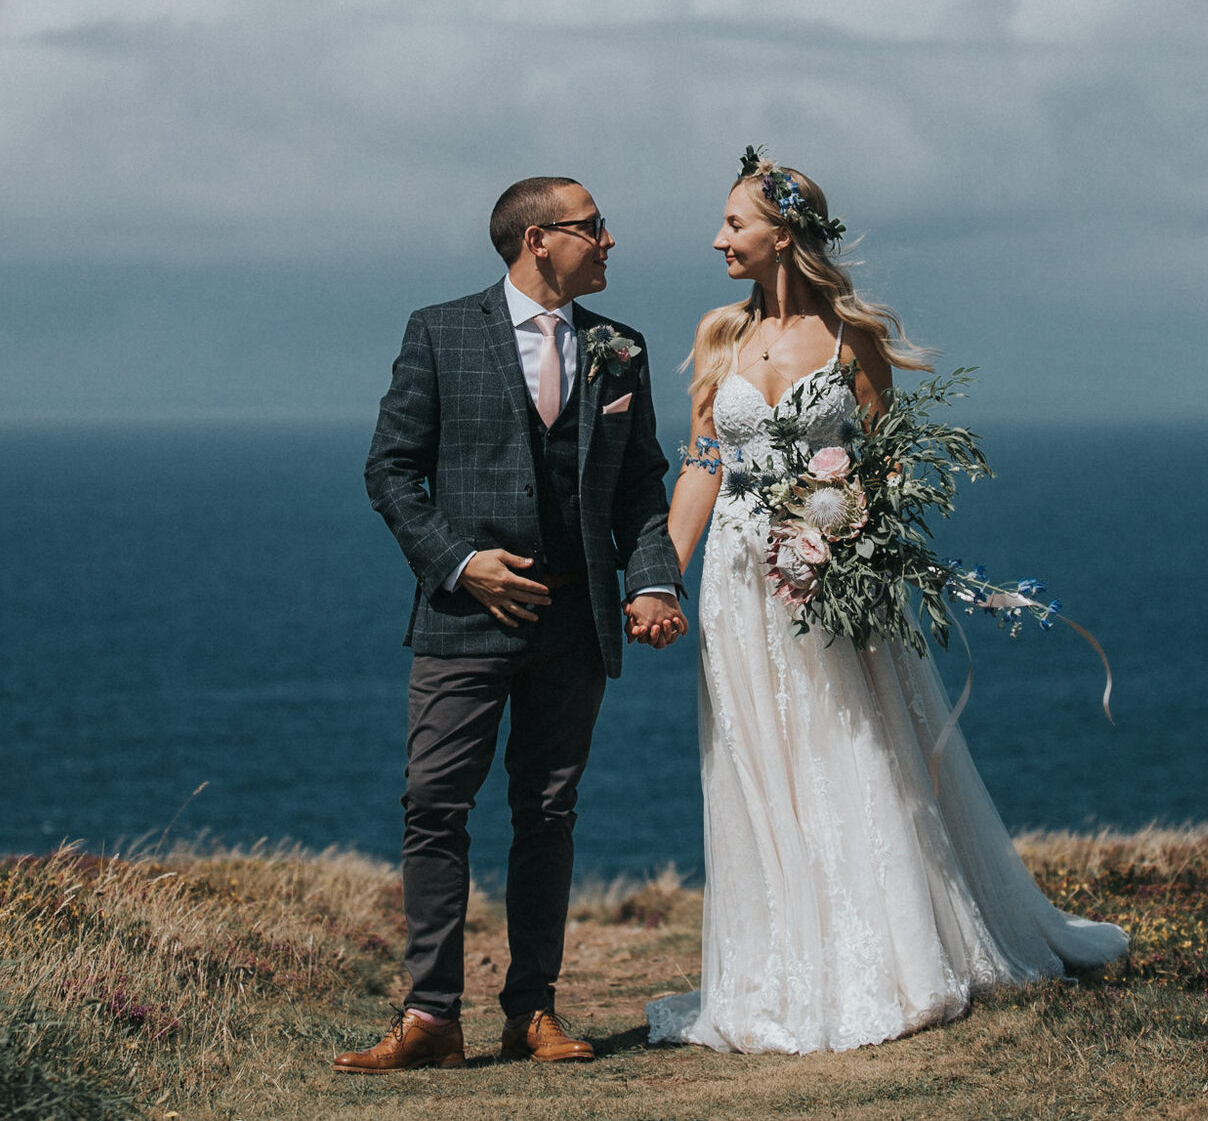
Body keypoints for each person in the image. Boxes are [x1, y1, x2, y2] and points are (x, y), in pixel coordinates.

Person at [646, 152, 1127, 1054]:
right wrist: (664, 574)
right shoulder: (720, 335)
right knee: (757, 760)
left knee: (853, 746)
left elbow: (888, 457)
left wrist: (856, 534)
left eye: (734, 224)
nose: (719, 238)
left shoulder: (849, 338)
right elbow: (705, 464)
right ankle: (777, 965)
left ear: (781, 234)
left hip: (831, 576)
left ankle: (888, 954)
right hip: (740, 582)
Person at [339, 176, 689, 1074]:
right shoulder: (439, 331)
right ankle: (430, 1015)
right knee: (432, 806)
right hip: (463, 616)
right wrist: (463, 563)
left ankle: (532, 1009)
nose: (610, 239)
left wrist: (652, 582)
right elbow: (391, 471)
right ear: (539, 239)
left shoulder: (622, 348)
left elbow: (643, 483)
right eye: (593, 227)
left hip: (575, 619)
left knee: (548, 810)